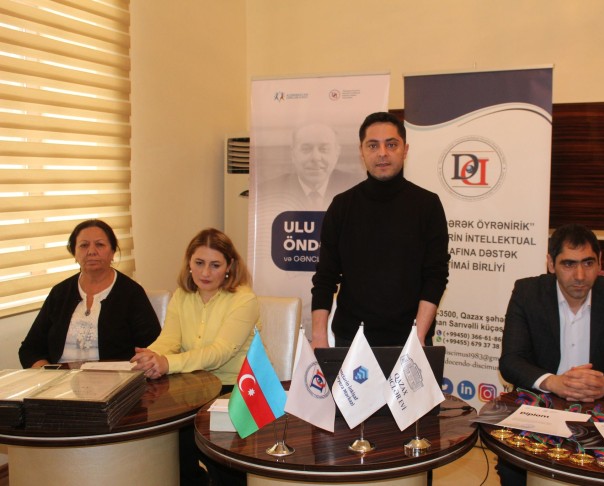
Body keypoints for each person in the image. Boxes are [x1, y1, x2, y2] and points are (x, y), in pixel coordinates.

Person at [497, 223, 604, 485]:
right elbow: (511, 361)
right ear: (551, 263)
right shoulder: (528, 293)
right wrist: (554, 382)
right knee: (513, 469)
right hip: (543, 404)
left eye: (588, 263)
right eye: (569, 264)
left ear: (600, 261)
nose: (580, 275)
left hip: (603, 408)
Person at [310, 111, 450, 348]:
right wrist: (319, 337)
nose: (382, 153)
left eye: (391, 144)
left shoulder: (428, 205)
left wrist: (417, 337)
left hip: (411, 340)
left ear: (405, 150)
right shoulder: (342, 206)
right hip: (351, 341)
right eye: (373, 145)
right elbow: (325, 277)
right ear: (361, 151)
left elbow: (435, 276)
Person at [131, 227, 258, 486]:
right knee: (176, 452)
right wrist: (151, 356)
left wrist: (167, 363)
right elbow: (170, 340)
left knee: (222, 463)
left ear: (229, 266)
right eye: (199, 263)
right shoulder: (182, 295)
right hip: (193, 386)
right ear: (189, 262)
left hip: (235, 388)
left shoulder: (245, 300)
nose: (205, 273)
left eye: (215, 265)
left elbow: (220, 352)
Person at [19, 219, 161, 368]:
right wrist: (47, 374)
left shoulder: (131, 293)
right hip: (61, 376)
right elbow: (30, 349)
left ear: (113, 251)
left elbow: (153, 348)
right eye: (84, 245)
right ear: (74, 253)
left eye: (100, 244)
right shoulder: (60, 293)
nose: (91, 251)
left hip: (115, 376)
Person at [257, 122, 363, 210]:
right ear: (293, 154)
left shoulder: (358, 188)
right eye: (306, 149)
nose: (315, 158)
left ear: (337, 153)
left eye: (324, 149)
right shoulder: (267, 192)